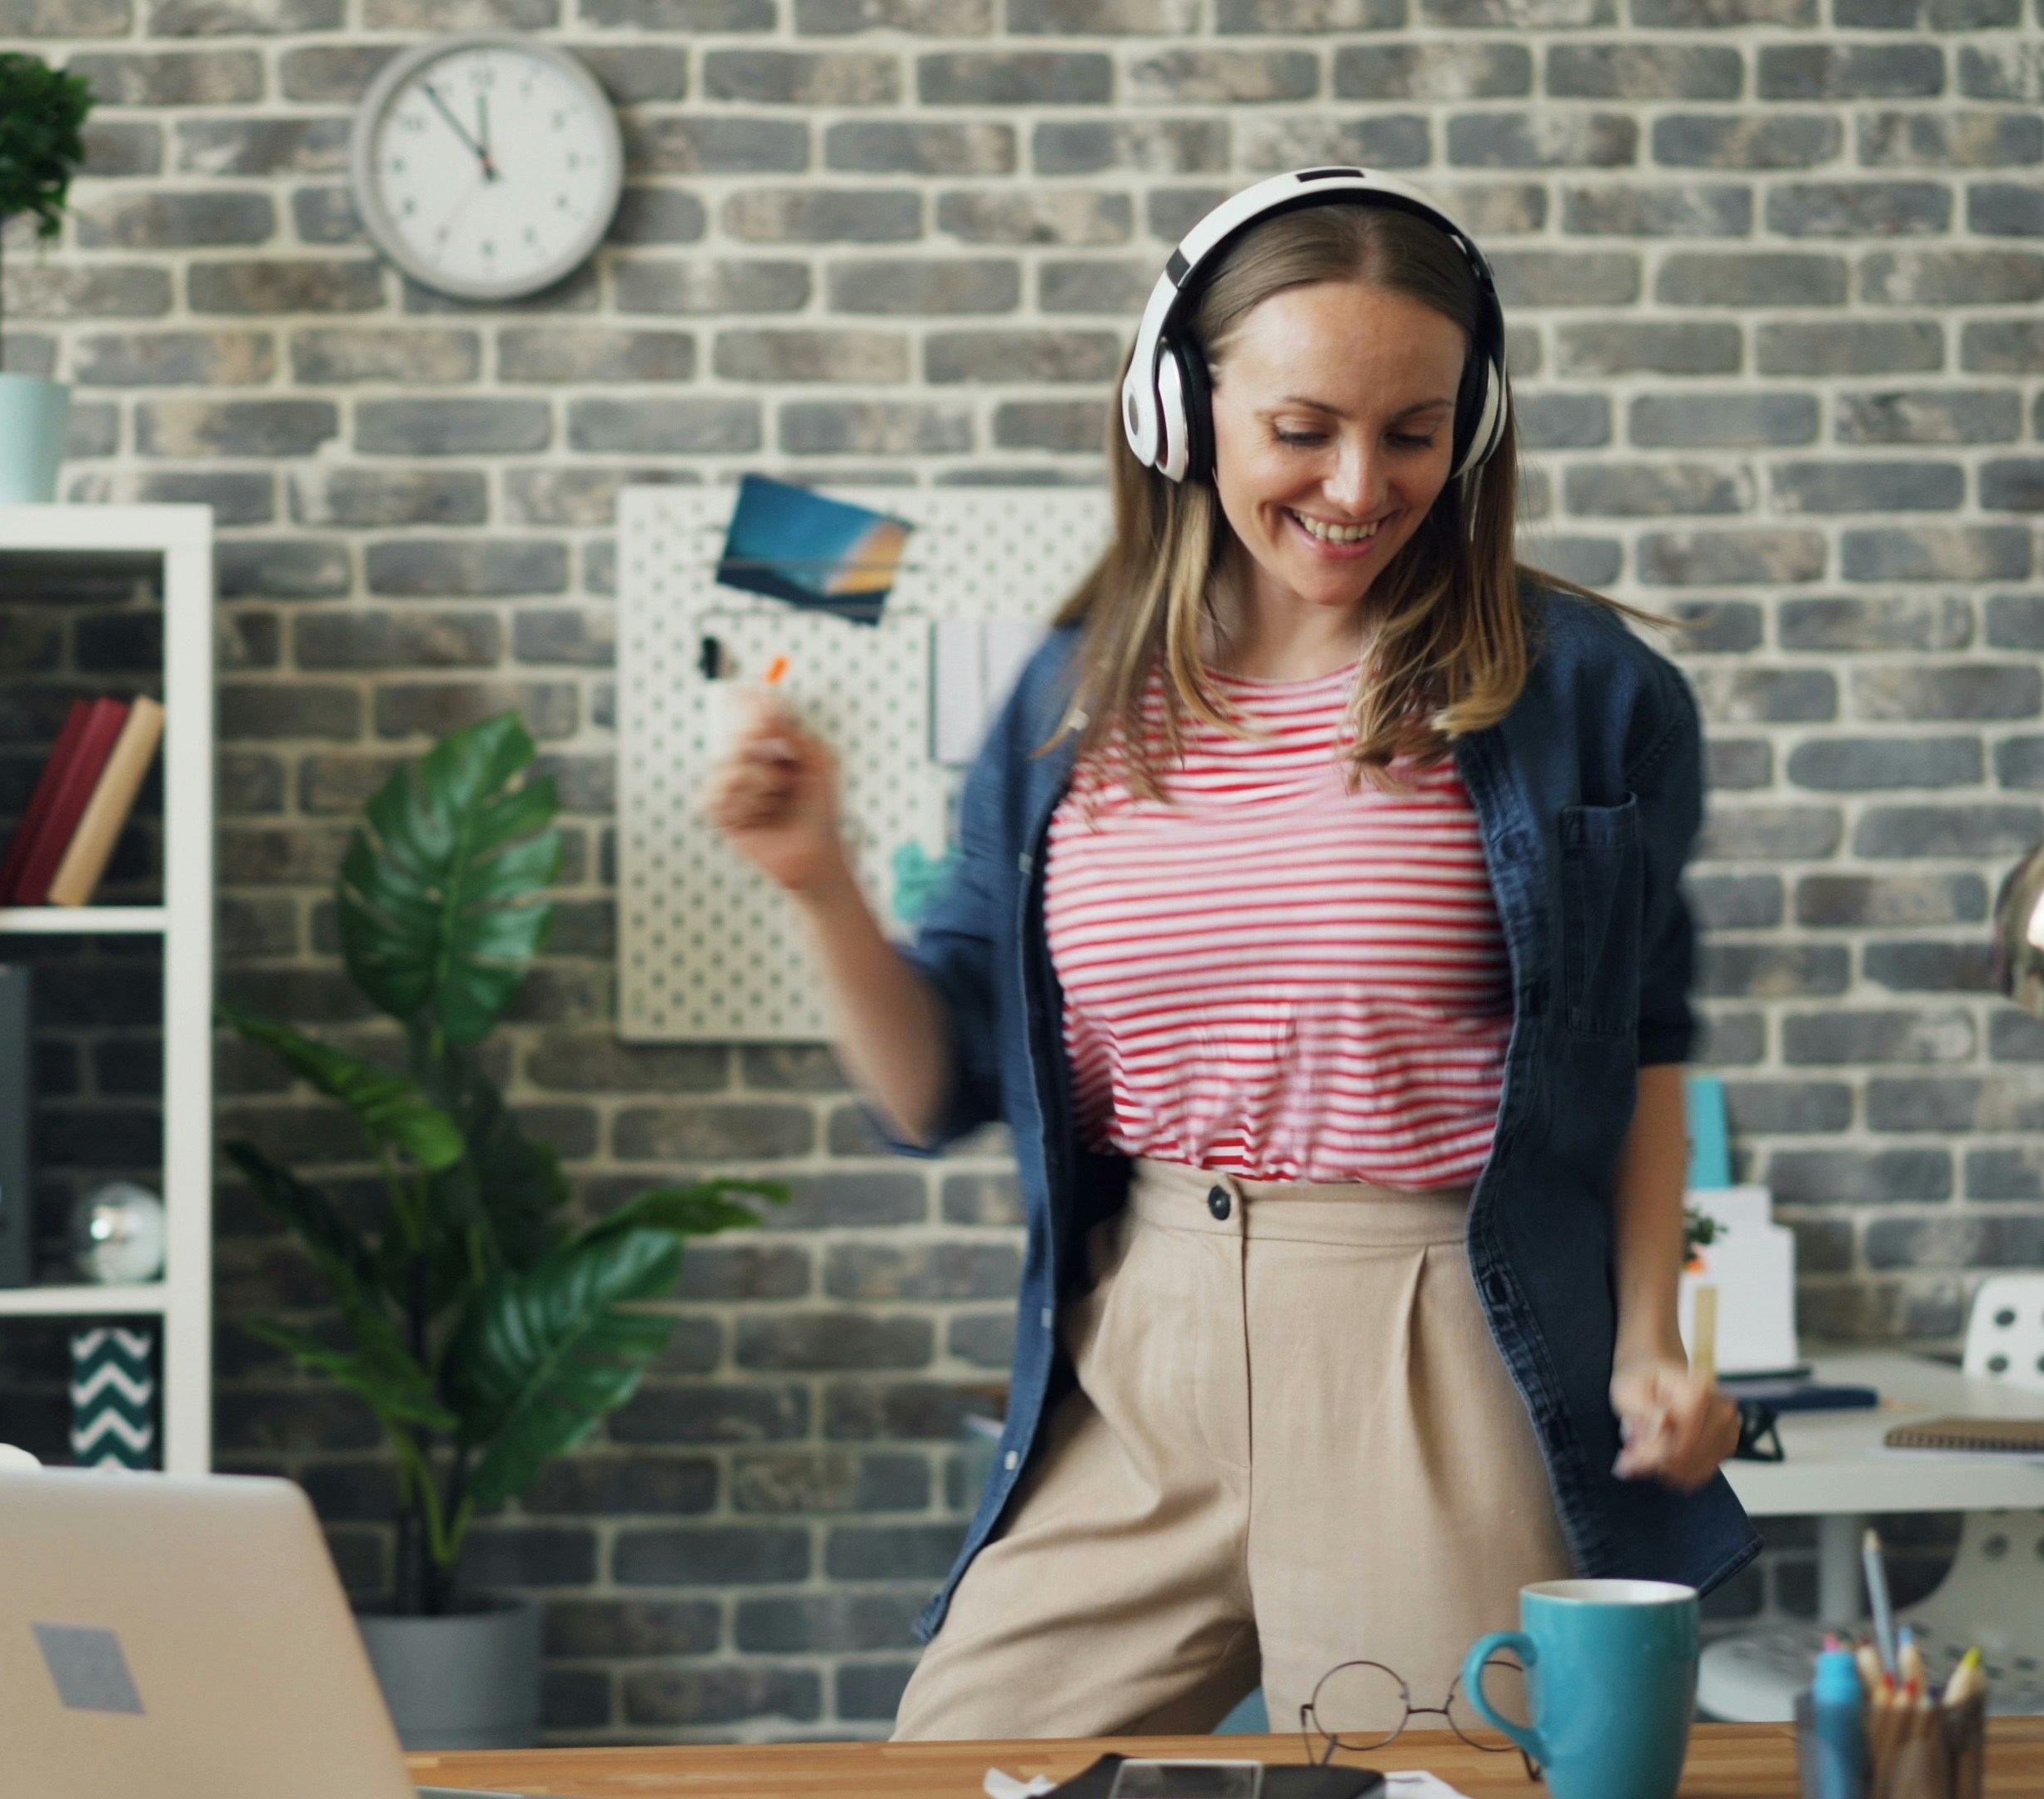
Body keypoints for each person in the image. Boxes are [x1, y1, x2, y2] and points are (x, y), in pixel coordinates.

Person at [704, 170, 1759, 1742]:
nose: (1359, 483)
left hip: (1433, 1342)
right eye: (1304, 426)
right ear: (1180, 415)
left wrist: (1654, 1341)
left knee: (1442, 1784)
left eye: (1414, 431)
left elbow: (1646, 1041)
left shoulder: (1590, 695)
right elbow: (933, 1089)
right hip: (1141, 1342)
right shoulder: (1067, 701)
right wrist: (815, 883)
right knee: (962, 1766)